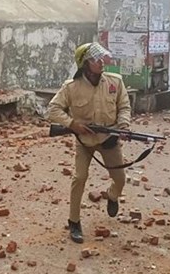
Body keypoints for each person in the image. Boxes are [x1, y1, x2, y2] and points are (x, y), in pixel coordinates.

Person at [47, 42, 131, 244]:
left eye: (102, 58)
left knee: (120, 179)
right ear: (85, 64)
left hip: (108, 138)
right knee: (79, 178)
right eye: (95, 59)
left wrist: (124, 126)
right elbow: (53, 110)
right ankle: (74, 221)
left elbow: (124, 106)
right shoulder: (71, 87)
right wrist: (72, 124)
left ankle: (112, 195)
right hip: (84, 141)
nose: (101, 62)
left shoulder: (115, 82)